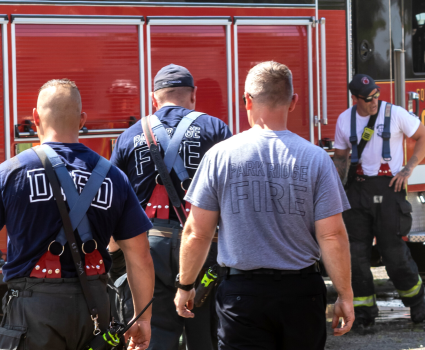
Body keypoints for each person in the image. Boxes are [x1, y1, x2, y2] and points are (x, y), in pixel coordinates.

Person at [0, 79, 155, 350]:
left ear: (35, 117)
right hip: (95, 312)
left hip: (33, 314)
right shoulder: (114, 177)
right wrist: (143, 318)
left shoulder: (11, 172)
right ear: (82, 119)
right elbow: (139, 254)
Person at [174, 61, 356, 348]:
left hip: (242, 296)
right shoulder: (317, 159)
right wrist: (345, 296)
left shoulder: (219, 156)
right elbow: (332, 235)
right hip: (302, 294)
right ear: (293, 102)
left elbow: (197, 232)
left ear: (247, 100)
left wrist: (186, 285)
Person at [109, 64, 232, 350]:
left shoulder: (129, 137)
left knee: (151, 335)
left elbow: (113, 203)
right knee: (206, 336)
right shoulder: (216, 129)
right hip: (204, 248)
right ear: (193, 95)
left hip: (146, 249)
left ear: (155, 98)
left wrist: (112, 255)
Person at [330, 73, 425, 329]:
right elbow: (340, 158)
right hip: (358, 191)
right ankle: (363, 315)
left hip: (388, 189)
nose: (374, 101)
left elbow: (422, 136)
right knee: (356, 255)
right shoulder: (345, 120)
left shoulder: (395, 114)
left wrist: (408, 169)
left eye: (376, 96)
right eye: (368, 98)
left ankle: (418, 305)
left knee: (393, 252)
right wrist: (336, 190)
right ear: (355, 98)